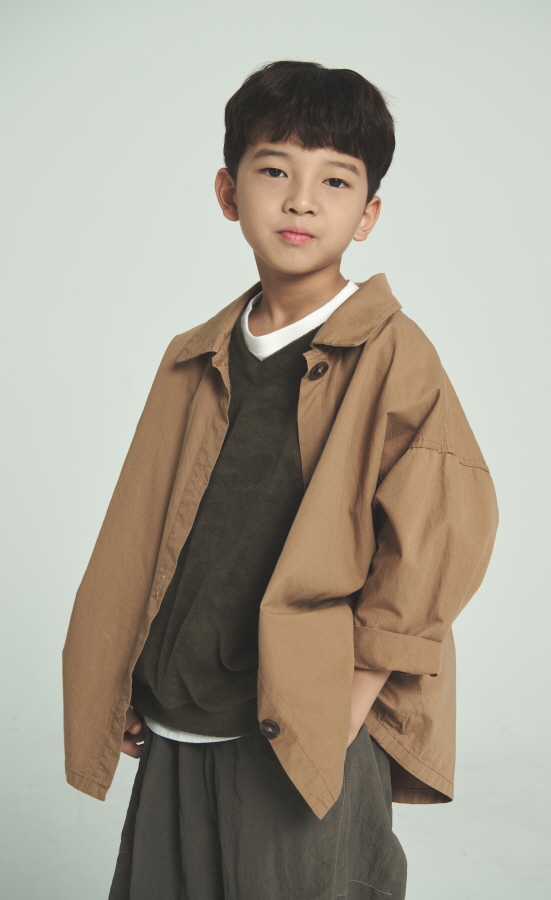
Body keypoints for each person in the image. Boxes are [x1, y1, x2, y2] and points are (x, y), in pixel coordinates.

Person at [62, 60, 499, 900]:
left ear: (367, 215)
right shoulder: (193, 356)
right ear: (229, 193)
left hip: (302, 726)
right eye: (275, 172)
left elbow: (442, 530)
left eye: (334, 180)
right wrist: (123, 673)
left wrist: (352, 697)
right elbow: (147, 530)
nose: (301, 201)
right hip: (177, 715)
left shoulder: (394, 355)